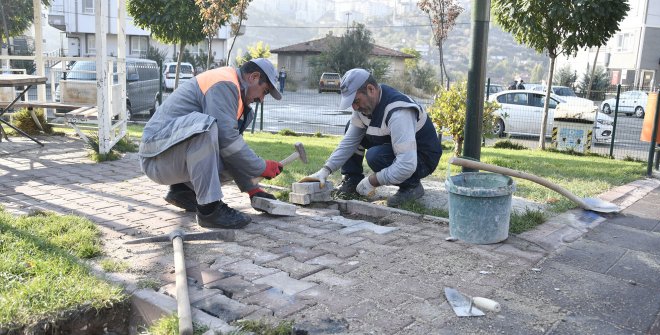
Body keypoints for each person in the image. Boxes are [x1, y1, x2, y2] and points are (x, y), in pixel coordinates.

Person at [139, 58, 283, 229]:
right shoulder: (224, 83)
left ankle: (183, 191)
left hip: (167, 156)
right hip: (156, 157)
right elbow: (226, 139)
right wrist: (260, 166)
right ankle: (210, 210)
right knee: (206, 126)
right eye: (264, 91)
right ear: (253, 77)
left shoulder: (235, 94)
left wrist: (252, 188)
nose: (261, 99)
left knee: (233, 154)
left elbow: (231, 150)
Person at [300, 68, 443, 207]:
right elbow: (349, 143)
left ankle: (412, 186)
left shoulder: (399, 112)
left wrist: (373, 181)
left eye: (356, 101)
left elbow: (406, 164)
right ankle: (352, 179)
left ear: (371, 89)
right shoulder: (364, 108)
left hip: (422, 158)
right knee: (351, 127)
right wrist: (325, 170)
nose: (354, 108)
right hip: (396, 146)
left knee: (375, 156)